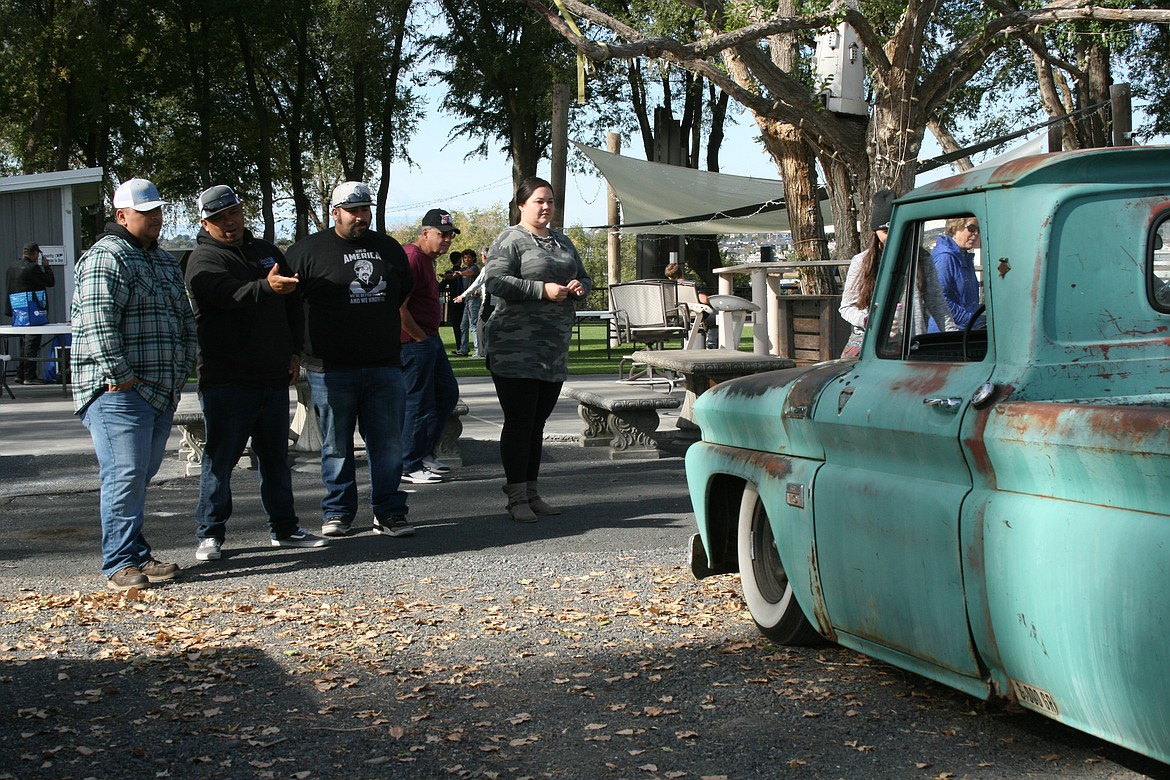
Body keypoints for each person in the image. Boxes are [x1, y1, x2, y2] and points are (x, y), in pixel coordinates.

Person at [184, 184, 326, 562]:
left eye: (233, 214)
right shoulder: (203, 258)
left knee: (275, 458)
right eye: (218, 219)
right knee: (221, 459)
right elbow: (225, 293)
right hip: (227, 379)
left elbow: (293, 302)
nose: (229, 224)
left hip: (272, 374)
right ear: (205, 222)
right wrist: (267, 286)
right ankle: (210, 534)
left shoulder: (266, 251)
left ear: (241, 212)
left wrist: (295, 350)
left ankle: (284, 528)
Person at [71, 178, 196, 591]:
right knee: (125, 474)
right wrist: (118, 373)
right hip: (117, 391)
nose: (156, 219)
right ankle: (119, 563)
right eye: (146, 213)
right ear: (121, 215)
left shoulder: (160, 259)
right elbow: (96, 321)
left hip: (159, 388)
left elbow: (184, 318)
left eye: (158, 211)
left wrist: (182, 371)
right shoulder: (106, 257)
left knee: (140, 474)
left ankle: (136, 553)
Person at [283, 181, 415, 539]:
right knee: (336, 445)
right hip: (329, 367)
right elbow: (287, 302)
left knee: (387, 444)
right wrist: (293, 351)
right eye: (353, 210)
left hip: (384, 364)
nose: (360, 217)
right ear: (335, 212)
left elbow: (402, 290)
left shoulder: (388, 249)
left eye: (365, 210)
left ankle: (389, 511)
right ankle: (338, 511)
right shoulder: (307, 251)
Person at [483, 177, 591, 522]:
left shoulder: (562, 241)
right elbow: (495, 280)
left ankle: (531, 491)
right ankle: (516, 496)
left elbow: (585, 277)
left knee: (537, 424)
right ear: (522, 205)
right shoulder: (510, 239)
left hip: (553, 349)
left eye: (550, 201)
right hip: (515, 348)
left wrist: (578, 286)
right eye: (538, 201)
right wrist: (540, 290)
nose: (545, 207)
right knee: (520, 422)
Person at [839, 189, 954, 358]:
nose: (892, 236)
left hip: (911, 346)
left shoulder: (921, 258)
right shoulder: (862, 262)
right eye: (885, 232)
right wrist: (869, 320)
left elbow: (938, 303)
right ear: (875, 232)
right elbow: (846, 307)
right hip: (869, 347)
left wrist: (952, 337)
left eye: (896, 229)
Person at [400, 209, 461, 484]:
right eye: (441, 234)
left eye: (450, 235)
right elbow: (398, 306)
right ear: (425, 232)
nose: (447, 240)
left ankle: (423, 453)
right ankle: (408, 464)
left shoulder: (427, 259)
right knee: (418, 402)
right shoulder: (412, 258)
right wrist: (417, 337)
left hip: (429, 338)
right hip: (415, 342)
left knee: (446, 394)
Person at [5, 242, 56, 384]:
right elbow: (50, 282)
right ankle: (29, 376)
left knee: (24, 341)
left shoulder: (12, 267)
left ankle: (20, 373)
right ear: (34, 254)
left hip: (17, 310)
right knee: (32, 342)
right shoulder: (33, 268)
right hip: (32, 310)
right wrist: (46, 266)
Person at [932, 217, 983, 329]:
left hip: (966, 330)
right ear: (955, 228)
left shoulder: (964, 256)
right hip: (949, 333)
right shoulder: (945, 258)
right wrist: (970, 319)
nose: (976, 234)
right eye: (971, 228)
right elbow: (939, 299)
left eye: (978, 230)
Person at [664, 261, 717, 348]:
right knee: (717, 317)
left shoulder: (669, 289)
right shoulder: (692, 285)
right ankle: (711, 345)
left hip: (679, 317)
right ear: (681, 273)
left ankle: (686, 344)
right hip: (697, 315)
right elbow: (703, 299)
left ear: (670, 277)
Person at [453, 248, 483, 357]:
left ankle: (478, 350)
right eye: (464, 258)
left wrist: (460, 273)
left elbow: (469, 273)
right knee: (463, 325)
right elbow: (453, 275)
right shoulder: (464, 269)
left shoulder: (475, 269)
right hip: (467, 301)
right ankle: (463, 349)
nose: (466, 259)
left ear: (474, 258)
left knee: (474, 325)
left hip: (474, 300)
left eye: (469, 257)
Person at [439, 250, 467, 352]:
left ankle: (460, 346)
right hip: (465, 299)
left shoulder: (449, 273)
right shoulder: (465, 271)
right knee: (465, 325)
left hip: (453, 301)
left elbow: (441, 287)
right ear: (460, 260)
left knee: (456, 325)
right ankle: (465, 345)